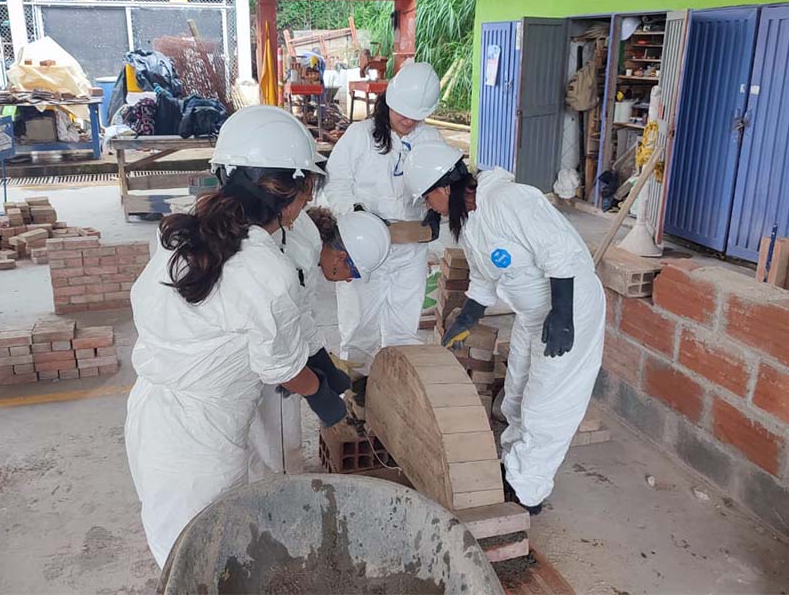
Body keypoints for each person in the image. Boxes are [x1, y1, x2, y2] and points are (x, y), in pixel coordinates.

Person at [124, 105, 351, 567]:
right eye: (308, 187)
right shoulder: (265, 268)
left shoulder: (190, 232)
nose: (309, 200)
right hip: (200, 442)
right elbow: (282, 369)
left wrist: (322, 362)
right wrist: (322, 394)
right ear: (292, 190)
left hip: (153, 418)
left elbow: (275, 320)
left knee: (185, 545)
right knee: (197, 558)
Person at [403, 141, 606, 515]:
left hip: (568, 308)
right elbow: (484, 275)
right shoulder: (469, 222)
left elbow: (559, 251)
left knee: (549, 402)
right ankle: (514, 464)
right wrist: (467, 316)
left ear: (443, 188)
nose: (427, 207)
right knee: (516, 392)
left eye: (426, 198)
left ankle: (527, 491)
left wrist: (563, 316)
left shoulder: (510, 200)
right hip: (534, 314)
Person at [248, 207, 391, 480]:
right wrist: (317, 392)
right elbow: (278, 355)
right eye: (354, 273)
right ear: (340, 256)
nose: (349, 279)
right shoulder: (298, 257)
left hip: (264, 342)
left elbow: (300, 313)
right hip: (249, 355)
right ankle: (282, 483)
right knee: (275, 426)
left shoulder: (308, 244)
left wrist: (320, 358)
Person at [320, 61, 444, 371]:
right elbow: (336, 183)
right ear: (388, 100)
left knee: (403, 329)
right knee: (359, 328)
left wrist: (437, 213)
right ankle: (355, 395)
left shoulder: (430, 139)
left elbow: (445, 186)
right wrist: (357, 215)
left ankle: (395, 398)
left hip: (409, 250)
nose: (408, 120)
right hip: (363, 249)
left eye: (416, 115)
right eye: (402, 111)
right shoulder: (360, 135)